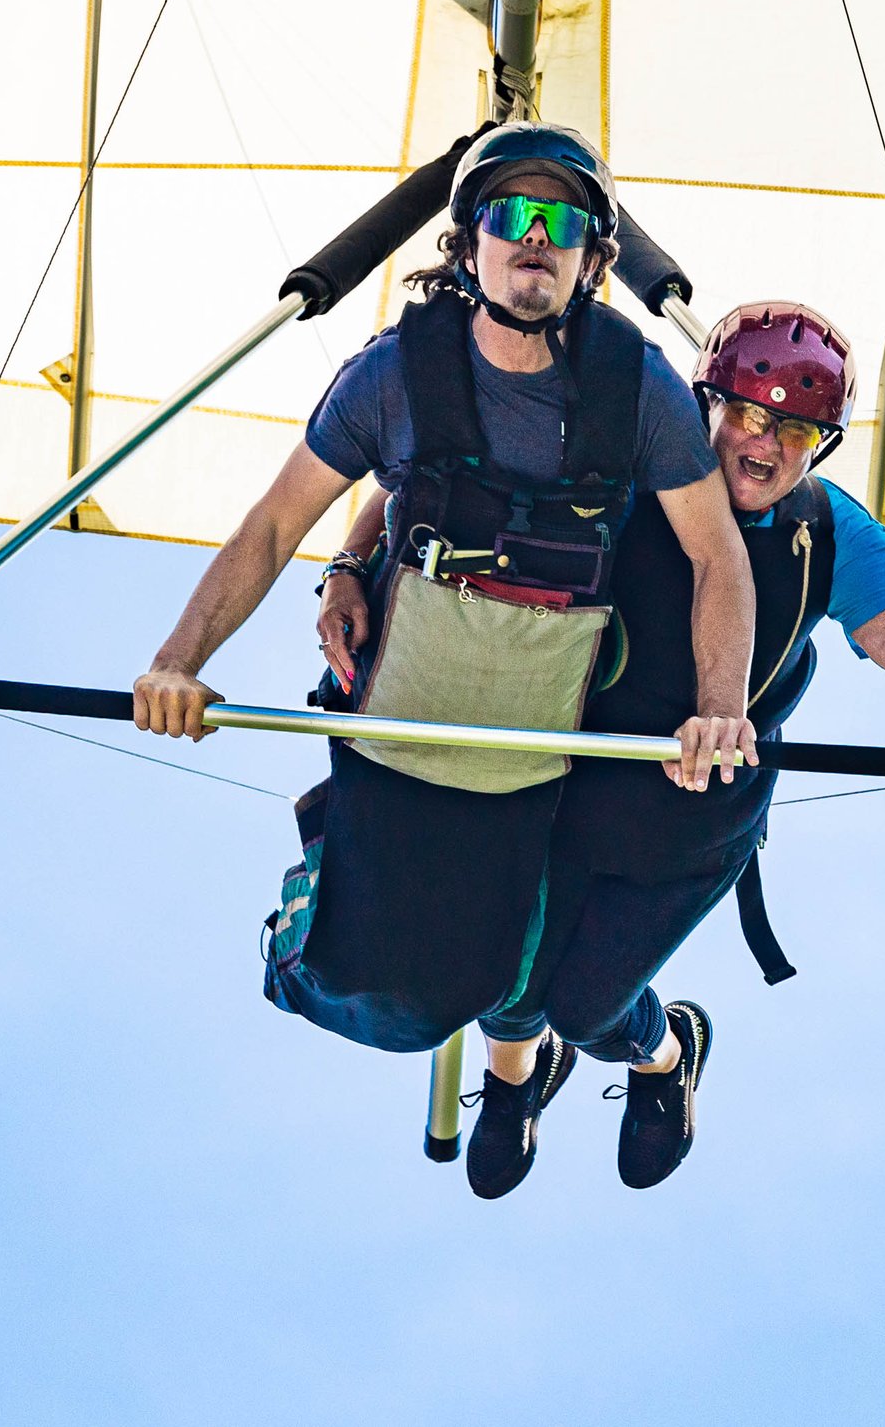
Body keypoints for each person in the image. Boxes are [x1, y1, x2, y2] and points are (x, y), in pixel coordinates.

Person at [133, 122, 757, 1059]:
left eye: (562, 218)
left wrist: (720, 709)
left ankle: (584, 1062)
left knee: (491, 976)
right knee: (380, 991)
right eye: (510, 213)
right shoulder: (392, 374)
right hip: (401, 723)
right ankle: (322, 906)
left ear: (593, 258)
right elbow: (271, 524)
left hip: (536, 749)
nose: (535, 235)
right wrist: (177, 664)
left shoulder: (637, 386)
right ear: (469, 241)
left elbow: (719, 556)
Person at [460, 301, 885, 1197]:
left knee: (587, 1005)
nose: (765, 441)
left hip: (697, 816)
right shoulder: (629, 466)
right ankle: (513, 1089)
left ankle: (666, 1057)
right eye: (748, 412)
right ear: (708, 403)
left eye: (795, 426)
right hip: (574, 775)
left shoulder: (833, 531)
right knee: (500, 970)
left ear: (819, 442)